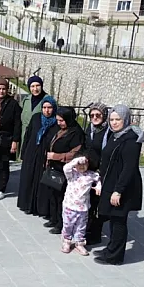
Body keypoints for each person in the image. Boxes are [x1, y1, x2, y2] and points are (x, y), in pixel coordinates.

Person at [93, 105, 144, 265]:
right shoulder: (115, 135)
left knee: (118, 220)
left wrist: (118, 191)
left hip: (122, 186)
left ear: (126, 120)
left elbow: (129, 168)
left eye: (118, 120)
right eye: (112, 119)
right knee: (114, 219)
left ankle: (115, 256)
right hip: (111, 182)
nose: (114, 123)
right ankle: (111, 248)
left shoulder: (131, 140)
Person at [37, 107, 85, 235]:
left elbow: (75, 153)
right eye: (58, 120)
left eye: (62, 120)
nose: (59, 123)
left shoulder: (76, 133)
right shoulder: (61, 130)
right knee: (53, 195)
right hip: (55, 168)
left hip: (66, 170)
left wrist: (56, 156)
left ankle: (61, 223)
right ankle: (54, 218)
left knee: (61, 197)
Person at [17, 96, 58, 215]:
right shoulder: (36, 118)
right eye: (44, 107)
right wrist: (23, 152)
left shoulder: (56, 122)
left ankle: (37, 207)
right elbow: (28, 135)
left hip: (44, 156)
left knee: (40, 182)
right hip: (31, 153)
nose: (47, 110)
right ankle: (26, 204)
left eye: (49, 107)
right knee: (28, 178)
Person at [61, 153, 101, 256]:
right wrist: (76, 161)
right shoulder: (72, 174)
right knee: (67, 225)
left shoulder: (91, 175)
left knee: (81, 226)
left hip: (83, 208)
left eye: (85, 164)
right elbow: (66, 168)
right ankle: (67, 241)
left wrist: (98, 187)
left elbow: (98, 179)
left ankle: (79, 243)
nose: (82, 166)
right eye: (79, 164)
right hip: (70, 206)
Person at [83, 102, 110, 245]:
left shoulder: (108, 131)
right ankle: (88, 228)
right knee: (89, 201)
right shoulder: (91, 128)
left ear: (104, 115)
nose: (95, 117)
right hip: (90, 169)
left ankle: (96, 233)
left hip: (101, 171)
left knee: (97, 203)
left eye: (98, 115)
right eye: (92, 115)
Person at [19, 75, 48, 147]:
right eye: (32, 86)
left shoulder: (48, 100)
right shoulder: (26, 100)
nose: (35, 89)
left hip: (40, 135)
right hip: (24, 134)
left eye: (38, 85)